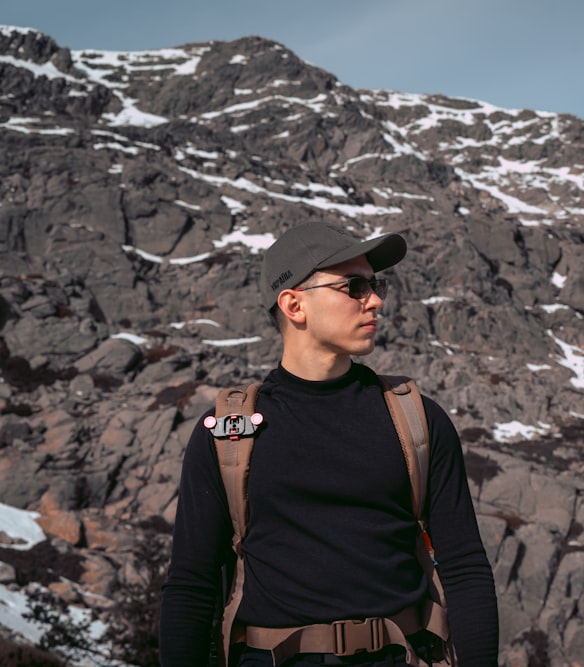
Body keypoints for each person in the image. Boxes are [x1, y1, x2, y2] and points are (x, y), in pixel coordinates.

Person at [160, 221, 499, 666]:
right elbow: (192, 583)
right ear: (294, 305)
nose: (374, 300)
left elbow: (465, 567)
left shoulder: (417, 419)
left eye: (374, 285)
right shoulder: (228, 432)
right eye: (353, 286)